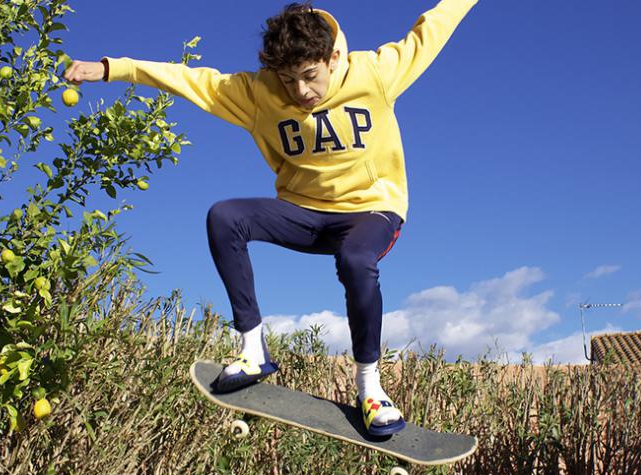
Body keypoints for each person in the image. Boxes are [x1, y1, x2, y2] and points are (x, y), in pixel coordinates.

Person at [64, 0, 478, 436]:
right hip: (302, 213)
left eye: (310, 77)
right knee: (225, 216)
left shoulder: (374, 72)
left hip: (369, 212)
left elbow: (430, 30)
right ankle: (252, 348)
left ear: (333, 58)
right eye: (288, 80)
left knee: (356, 260)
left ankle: (370, 387)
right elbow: (190, 80)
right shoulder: (258, 94)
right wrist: (113, 68)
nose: (300, 91)